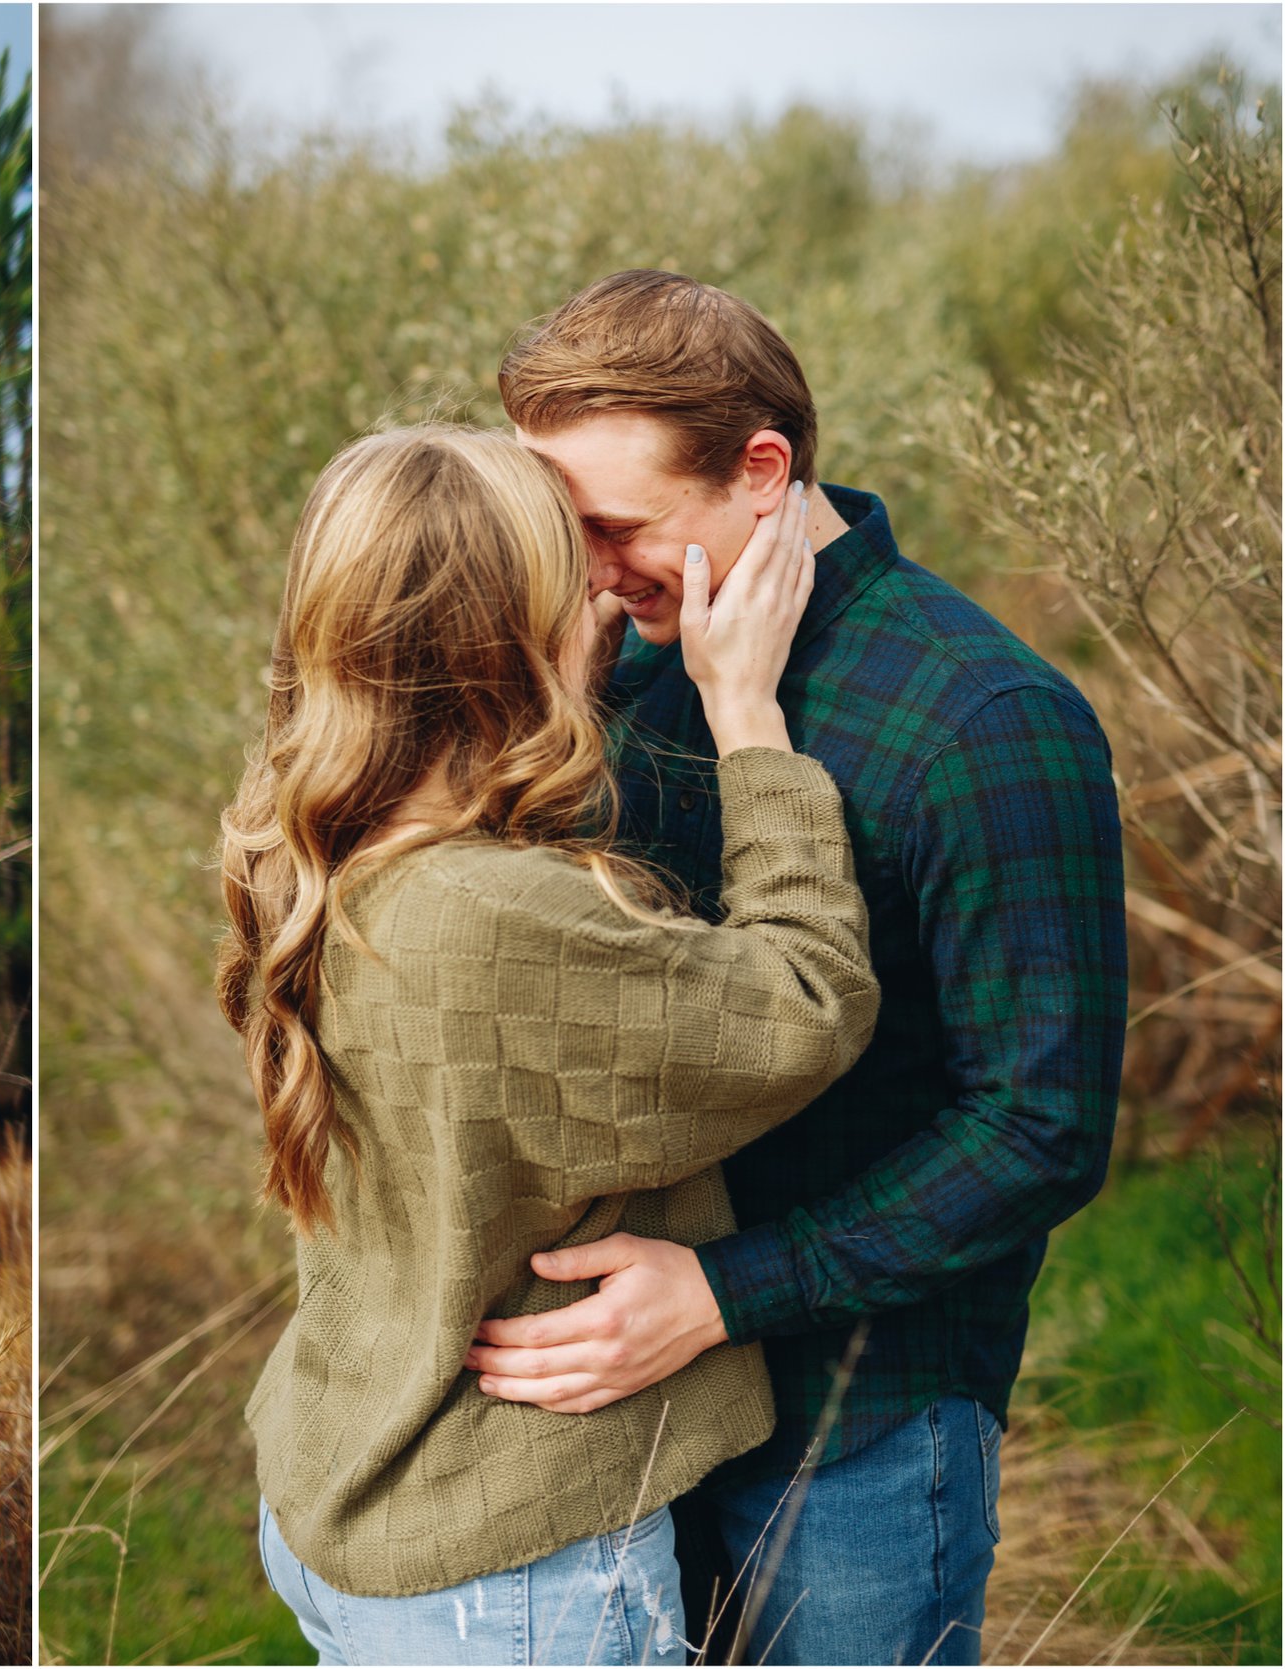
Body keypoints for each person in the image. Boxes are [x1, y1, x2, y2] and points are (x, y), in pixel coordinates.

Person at [473, 270, 1127, 1665]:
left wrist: (720, 1292)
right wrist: (562, 708)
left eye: (614, 526)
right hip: (628, 1421)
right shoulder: (633, 674)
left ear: (762, 472)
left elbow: (1041, 1128)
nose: (587, 568)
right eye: (562, 529)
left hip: (861, 1425)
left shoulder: (987, 719)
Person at [223, 424, 881, 1665]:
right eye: (573, 579)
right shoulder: (491, 916)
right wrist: (745, 715)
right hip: (502, 1573)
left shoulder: (303, 848)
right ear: (506, 643)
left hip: (339, 1493)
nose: (609, 600)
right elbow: (805, 1002)